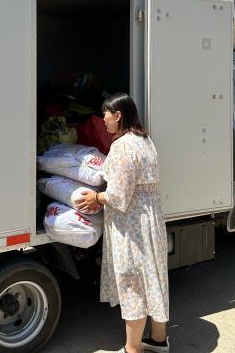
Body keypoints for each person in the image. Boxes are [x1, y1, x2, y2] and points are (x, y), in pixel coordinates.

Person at [75, 92, 170, 353]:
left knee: (133, 283)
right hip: (150, 219)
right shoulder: (145, 140)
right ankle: (159, 340)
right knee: (153, 279)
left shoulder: (122, 146)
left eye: (105, 114)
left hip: (131, 225)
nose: (103, 119)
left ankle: (132, 348)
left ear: (118, 115)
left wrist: (96, 197)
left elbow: (118, 195)